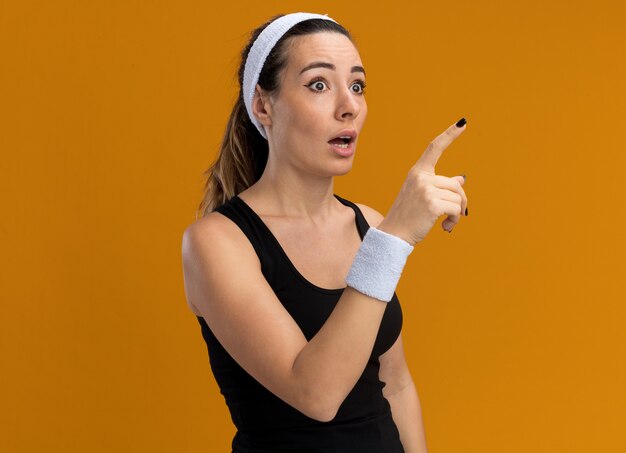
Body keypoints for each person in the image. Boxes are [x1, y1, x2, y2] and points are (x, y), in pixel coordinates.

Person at [181, 12, 468, 453]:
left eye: (356, 85)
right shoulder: (217, 242)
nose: (348, 105)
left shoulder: (368, 224)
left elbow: (394, 385)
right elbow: (315, 394)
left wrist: (386, 236)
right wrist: (392, 241)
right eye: (318, 84)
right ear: (263, 105)